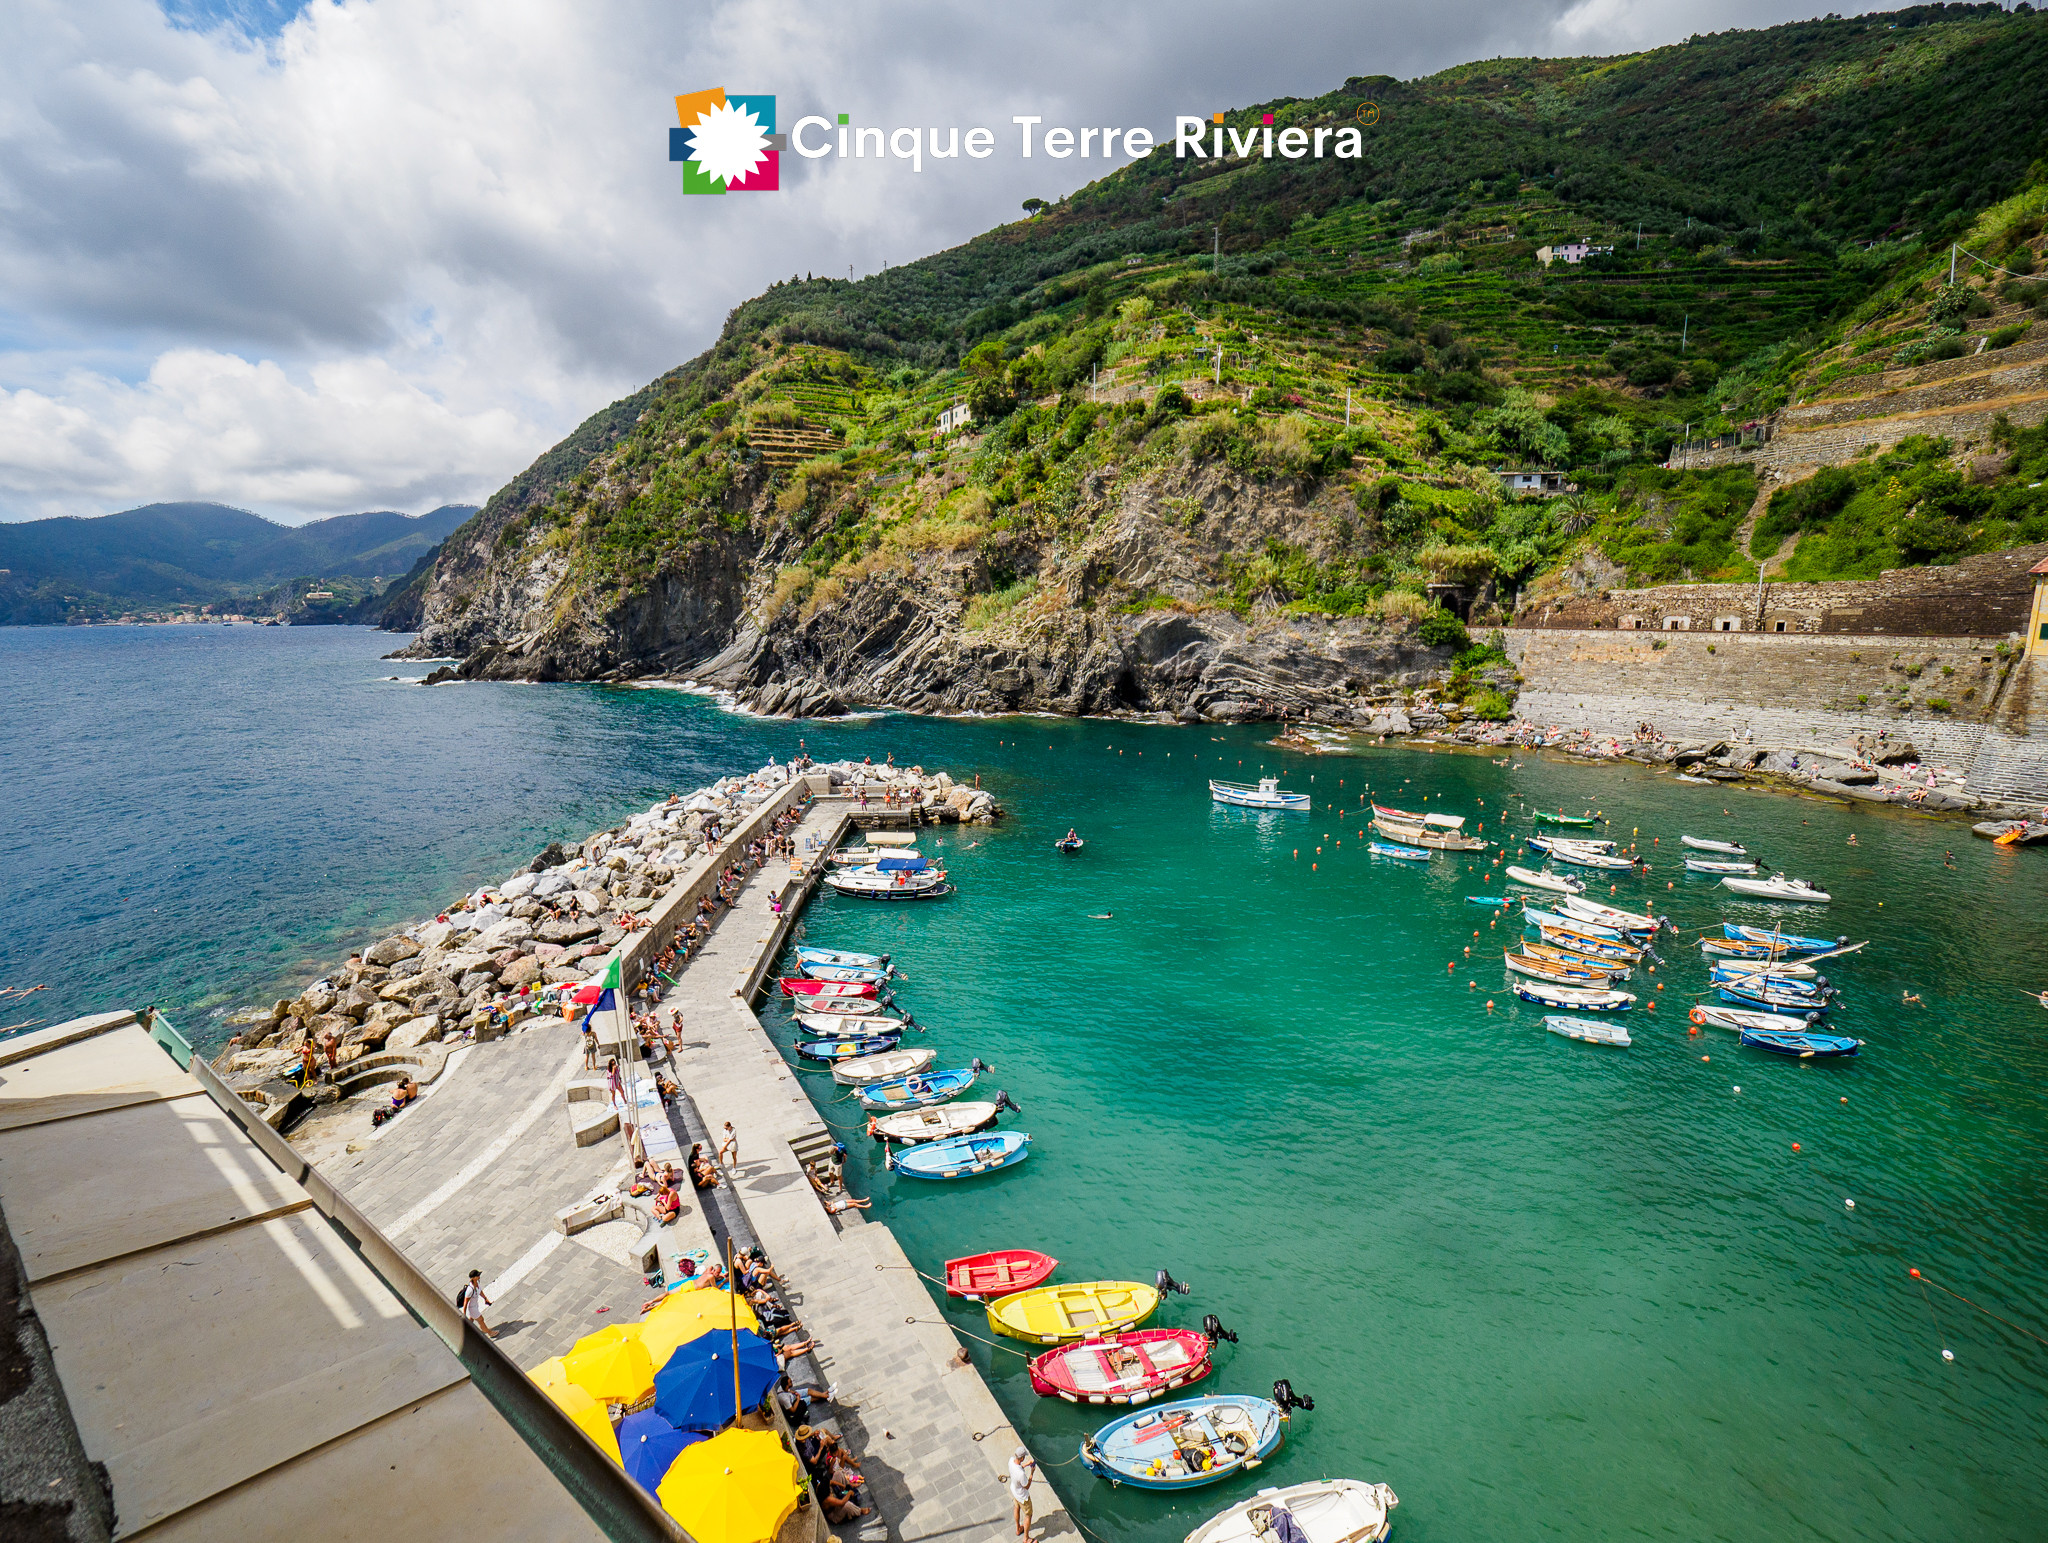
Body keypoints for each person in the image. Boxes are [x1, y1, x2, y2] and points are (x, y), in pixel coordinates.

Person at [1008, 1445, 1036, 1538]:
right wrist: (1032, 1473)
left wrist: (1027, 1464)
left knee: (1016, 1507)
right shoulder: (1021, 1474)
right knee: (1028, 1515)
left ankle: (1018, 1529)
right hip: (1023, 1497)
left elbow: (1018, 1467)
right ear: (1022, 1458)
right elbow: (1026, 1486)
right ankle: (1026, 1538)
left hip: (1014, 1491)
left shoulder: (1011, 1461)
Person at [458, 1269, 496, 1339]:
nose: (479, 1276)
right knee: (481, 1320)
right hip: (471, 1308)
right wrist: (464, 1314)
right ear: (473, 1278)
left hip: (475, 1306)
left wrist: (485, 1299)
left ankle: (464, 1333)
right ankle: (489, 1333)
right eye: (477, 1275)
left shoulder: (477, 1283)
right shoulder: (470, 1290)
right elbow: (465, 1303)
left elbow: (480, 1291)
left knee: (471, 1320)